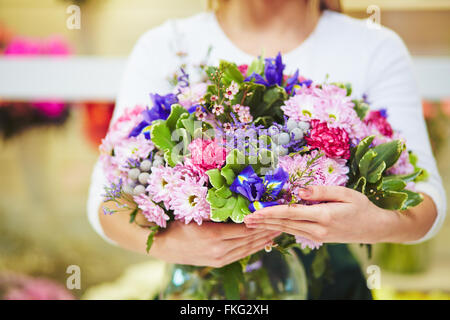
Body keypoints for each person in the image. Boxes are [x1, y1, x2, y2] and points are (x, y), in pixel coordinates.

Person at [87, 0, 446, 299]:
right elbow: (105, 202)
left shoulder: (375, 47)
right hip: (201, 284)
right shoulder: (166, 43)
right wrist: (171, 245)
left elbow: (426, 200)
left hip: (330, 285)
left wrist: (372, 223)